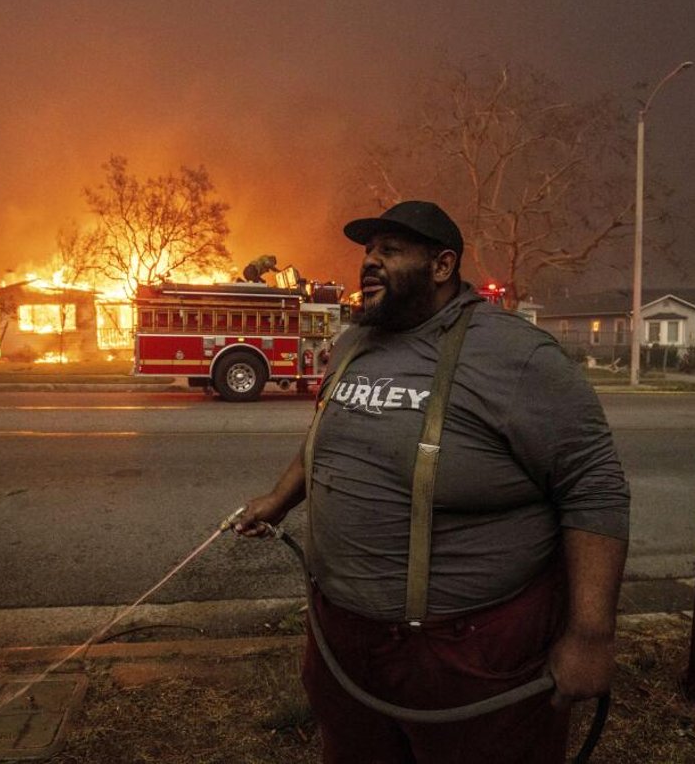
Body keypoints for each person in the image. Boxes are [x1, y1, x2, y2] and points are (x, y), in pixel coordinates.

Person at [234, 200, 629, 764]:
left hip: (469, 655)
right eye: (368, 253)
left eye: (390, 252)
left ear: (442, 267)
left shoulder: (514, 355)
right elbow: (329, 437)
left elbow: (594, 486)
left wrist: (591, 636)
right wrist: (278, 500)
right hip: (344, 644)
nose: (369, 263)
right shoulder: (354, 345)